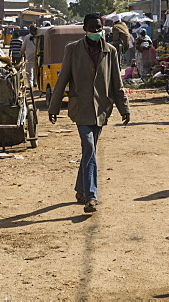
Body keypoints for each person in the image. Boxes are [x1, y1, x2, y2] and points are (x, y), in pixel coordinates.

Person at [48, 12, 130, 213]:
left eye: (99, 27)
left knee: (88, 152)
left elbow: (117, 84)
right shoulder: (73, 50)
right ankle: (91, 196)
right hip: (81, 109)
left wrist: (124, 108)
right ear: (85, 29)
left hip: (101, 110)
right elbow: (63, 80)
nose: (96, 31)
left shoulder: (110, 51)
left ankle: (80, 189)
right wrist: (54, 107)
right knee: (89, 148)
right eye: (93, 27)